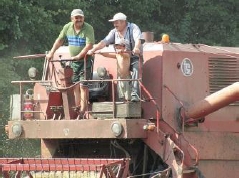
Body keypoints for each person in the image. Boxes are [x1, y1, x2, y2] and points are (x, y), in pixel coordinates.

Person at [46, 9, 95, 117]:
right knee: (75, 85)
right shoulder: (67, 27)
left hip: (85, 61)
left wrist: (79, 56)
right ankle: (77, 108)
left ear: (83, 18)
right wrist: (51, 52)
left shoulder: (88, 28)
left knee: (83, 85)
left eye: (81, 17)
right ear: (72, 19)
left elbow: (89, 45)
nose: (79, 19)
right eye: (76, 17)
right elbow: (60, 40)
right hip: (74, 62)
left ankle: (82, 111)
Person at [88, 12, 143, 102]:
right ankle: (120, 98)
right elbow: (104, 42)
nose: (114, 24)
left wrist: (136, 48)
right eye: (114, 22)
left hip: (134, 56)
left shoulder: (133, 27)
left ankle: (135, 94)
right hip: (121, 59)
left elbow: (138, 39)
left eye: (116, 22)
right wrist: (93, 50)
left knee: (136, 69)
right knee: (120, 75)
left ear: (123, 22)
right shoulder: (114, 32)